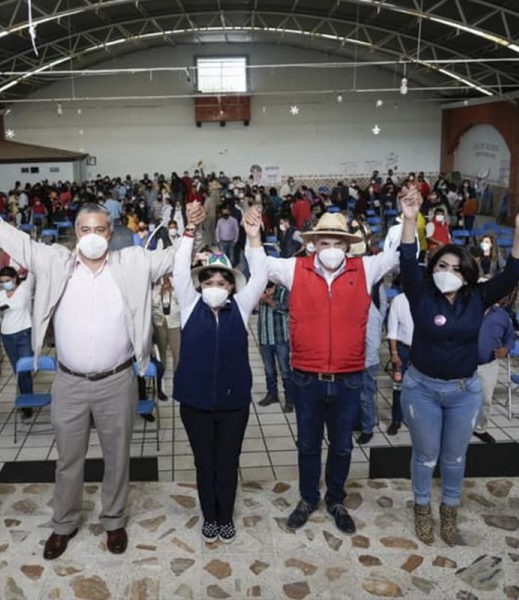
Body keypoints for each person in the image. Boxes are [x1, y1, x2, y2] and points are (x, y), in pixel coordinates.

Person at [0, 176, 206, 561]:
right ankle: (63, 524)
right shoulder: (54, 261)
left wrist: (191, 228)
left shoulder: (132, 263)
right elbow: (10, 236)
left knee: (118, 457)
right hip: (68, 382)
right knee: (68, 459)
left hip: (117, 380)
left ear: (110, 232)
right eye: (85, 229)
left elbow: (174, 259)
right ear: (75, 232)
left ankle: (114, 520)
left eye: (100, 229)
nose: (93, 236)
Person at [248, 206, 410, 535]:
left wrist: (409, 219)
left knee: (342, 447)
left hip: (349, 378)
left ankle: (335, 498)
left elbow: (401, 256)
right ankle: (308, 498)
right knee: (307, 445)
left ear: (347, 246)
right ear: (314, 245)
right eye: (325, 243)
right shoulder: (296, 269)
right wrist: (253, 237)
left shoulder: (364, 269)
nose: (332, 249)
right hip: (307, 378)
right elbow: (259, 266)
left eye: (338, 242)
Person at [397, 190, 519, 547]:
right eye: (442, 266)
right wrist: (411, 220)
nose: (448, 273)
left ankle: (450, 510)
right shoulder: (420, 293)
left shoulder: (478, 297)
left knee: (455, 456)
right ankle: (422, 508)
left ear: (468, 273)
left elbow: (513, 274)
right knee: (426, 456)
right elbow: (408, 257)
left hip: (464, 391)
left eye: (457, 268)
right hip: (422, 389)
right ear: (433, 270)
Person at [173, 217, 266, 544]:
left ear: (232, 287)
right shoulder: (188, 305)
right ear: (200, 285)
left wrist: (254, 240)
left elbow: (262, 276)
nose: (215, 286)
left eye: (222, 282)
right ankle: (209, 517)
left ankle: (225, 517)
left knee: (227, 463)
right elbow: (178, 272)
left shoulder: (240, 308)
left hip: (233, 404)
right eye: (208, 280)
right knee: (204, 464)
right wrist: (188, 233)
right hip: (195, 403)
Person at [474, 299, 516, 444]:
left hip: (488, 364)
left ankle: (480, 428)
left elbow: (510, 336)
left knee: (485, 399)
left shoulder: (501, 315)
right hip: (462, 363)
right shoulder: (465, 309)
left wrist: (506, 348)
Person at [0, 266, 34, 417]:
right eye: (2, 281)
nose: (5, 284)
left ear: (15, 279)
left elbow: (32, 272)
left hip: (24, 332)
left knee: (24, 370)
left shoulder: (24, 290)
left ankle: (28, 404)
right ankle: (24, 400)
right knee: (17, 370)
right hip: (7, 335)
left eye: (8, 280)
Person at [356, 282, 388, 445]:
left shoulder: (371, 313)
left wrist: (364, 362)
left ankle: (367, 428)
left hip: (366, 362)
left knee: (365, 396)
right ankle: (358, 423)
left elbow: (374, 344)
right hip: (353, 360)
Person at [257, 282, 293, 411]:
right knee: (269, 370)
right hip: (264, 337)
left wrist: (268, 300)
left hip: (280, 337)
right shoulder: (259, 289)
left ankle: (290, 399)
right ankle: (272, 395)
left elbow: (285, 308)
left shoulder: (283, 291)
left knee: (285, 370)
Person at [386, 290, 413, 435]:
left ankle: (416, 419)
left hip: (423, 351)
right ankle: (396, 420)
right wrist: (394, 353)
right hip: (403, 350)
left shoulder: (428, 297)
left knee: (422, 388)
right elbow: (392, 330)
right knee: (398, 387)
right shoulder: (399, 300)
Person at [151, 274, 181, 401]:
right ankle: (160, 385)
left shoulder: (177, 285)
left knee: (177, 353)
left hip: (174, 324)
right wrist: (161, 292)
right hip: (160, 324)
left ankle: (179, 383)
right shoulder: (156, 288)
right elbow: (153, 304)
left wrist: (172, 291)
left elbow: (182, 301)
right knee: (161, 354)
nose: (166, 279)